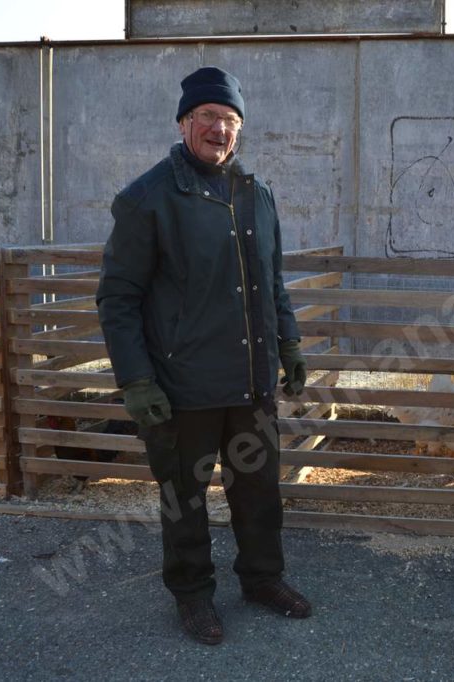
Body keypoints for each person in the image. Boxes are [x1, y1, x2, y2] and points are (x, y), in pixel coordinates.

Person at [96, 66, 310, 646]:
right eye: (209, 118)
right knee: (184, 501)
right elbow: (118, 298)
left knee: (259, 492)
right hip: (181, 386)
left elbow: (273, 281)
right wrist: (137, 381)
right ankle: (192, 596)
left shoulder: (256, 195)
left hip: (250, 382)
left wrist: (287, 343)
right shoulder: (148, 198)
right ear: (185, 123)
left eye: (231, 120)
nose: (221, 130)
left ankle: (263, 580)